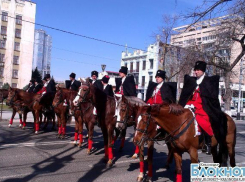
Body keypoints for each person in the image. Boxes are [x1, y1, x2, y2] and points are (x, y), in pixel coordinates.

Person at [178, 61, 227, 155]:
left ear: (203, 71)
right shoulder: (192, 81)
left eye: (198, 70)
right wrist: (185, 104)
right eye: (195, 70)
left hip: (202, 105)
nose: (196, 72)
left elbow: (209, 97)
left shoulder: (208, 82)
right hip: (190, 104)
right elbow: (186, 95)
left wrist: (196, 105)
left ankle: (208, 142)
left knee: (202, 119)